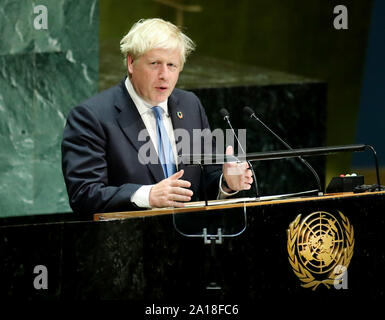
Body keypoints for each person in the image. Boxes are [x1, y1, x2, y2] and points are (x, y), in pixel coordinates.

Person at [61, 18, 253, 216]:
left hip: (190, 238)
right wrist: (148, 196)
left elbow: (206, 178)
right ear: (131, 62)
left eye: (172, 65)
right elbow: (84, 195)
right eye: (155, 64)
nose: (164, 75)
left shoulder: (189, 105)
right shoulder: (92, 117)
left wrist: (227, 183)